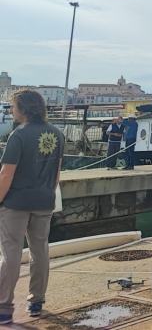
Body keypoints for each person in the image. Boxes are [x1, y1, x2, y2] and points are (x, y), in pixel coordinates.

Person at [0, 89, 65, 321]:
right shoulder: (57, 134)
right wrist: (46, 192)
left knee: (11, 253)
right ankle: (36, 301)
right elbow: (56, 173)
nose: (11, 110)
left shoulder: (18, 135)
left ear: (23, 109)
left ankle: (3, 307)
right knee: (40, 251)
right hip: (44, 201)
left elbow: (6, 174)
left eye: (13, 106)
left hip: (16, 203)